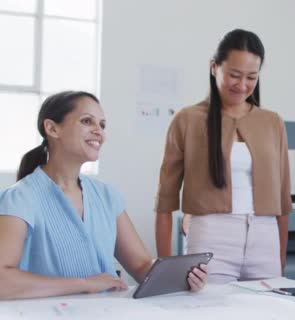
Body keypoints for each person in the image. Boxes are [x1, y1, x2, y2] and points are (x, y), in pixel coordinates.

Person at [0, 91, 207, 300]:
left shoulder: (107, 196)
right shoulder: (19, 198)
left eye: (102, 125)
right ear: (52, 128)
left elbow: (142, 266)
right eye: (87, 121)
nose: (98, 131)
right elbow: (3, 280)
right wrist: (84, 284)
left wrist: (183, 276)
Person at [155, 29, 292, 284]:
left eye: (251, 77)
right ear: (214, 67)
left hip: (265, 238)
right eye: (234, 75)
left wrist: (280, 260)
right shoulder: (187, 119)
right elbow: (165, 202)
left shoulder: (273, 122)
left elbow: (283, 202)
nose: (242, 85)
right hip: (210, 236)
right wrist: (164, 273)